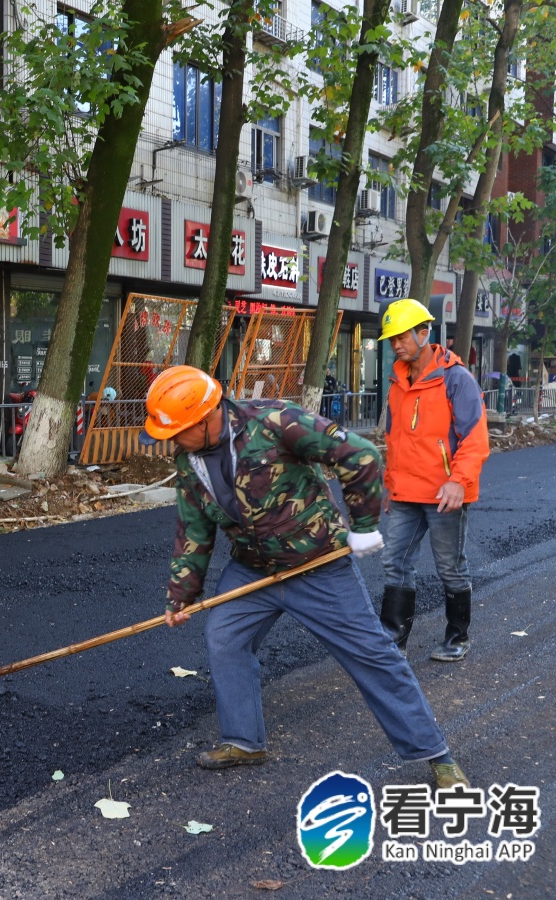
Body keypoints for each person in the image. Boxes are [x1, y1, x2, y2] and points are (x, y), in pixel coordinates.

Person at [150, 365, 468, 789]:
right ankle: (244, 741)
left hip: (318, 565)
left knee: (371, 654)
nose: (171, 441)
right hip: (253, 569)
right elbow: (193, 529)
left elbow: (359, 455)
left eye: (177, 432)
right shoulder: (189, 461)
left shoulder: (275, 421)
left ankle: (436, 755)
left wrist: (362, 527)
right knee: (225, 637)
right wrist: (180, 596)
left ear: (206, 418)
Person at [379, 299, 490, 662]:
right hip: (405, 492)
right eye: (392, 339)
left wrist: (459, 481)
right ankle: (393, 641)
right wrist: (389, 484)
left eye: (402, 337)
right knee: (395, 561)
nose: (396, 344)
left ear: (424, 334)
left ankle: (458, 637)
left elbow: (475, 437)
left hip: (445, 493)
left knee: (450, 567)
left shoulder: (456, 379)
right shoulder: (397, 381)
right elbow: (394, 439)